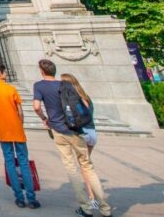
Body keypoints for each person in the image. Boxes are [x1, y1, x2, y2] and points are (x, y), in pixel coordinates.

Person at [33, 59, 111, 217]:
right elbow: (85, 107)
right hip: (77, 129)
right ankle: (105, 208)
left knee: (72, 168)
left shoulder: (39, 85)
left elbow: (36, 107)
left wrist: (44, 118)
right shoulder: (66, 86)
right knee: (88, 167)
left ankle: (86, 207)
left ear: (42, 71)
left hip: (59, 131)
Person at [0, 60, 39, 209]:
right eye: (5, 72)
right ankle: (31, 199)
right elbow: (19, 110)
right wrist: (20, 123)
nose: (6, 74)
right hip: (17, 130)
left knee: (9, 162)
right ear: (0, 72)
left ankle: (19, 198)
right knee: (24, 162)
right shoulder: (11, 89)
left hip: (2, 129)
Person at [61, 73, 100, 209]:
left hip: (81, 133)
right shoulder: (85, 97)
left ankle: (91, 198)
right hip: (91, 132)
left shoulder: (70, 98)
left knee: (84, 168)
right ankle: (96, 198)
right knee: (87, 165)